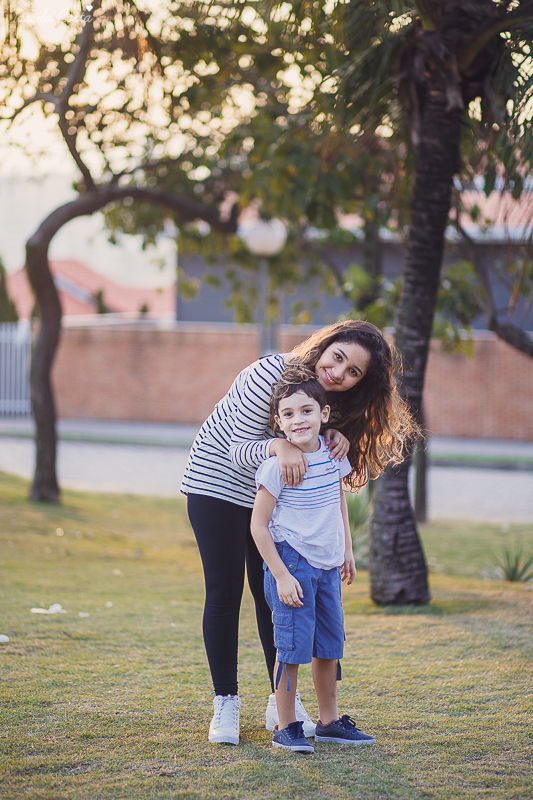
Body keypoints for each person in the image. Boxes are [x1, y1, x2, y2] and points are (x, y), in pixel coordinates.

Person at [180, 320, 414, 745]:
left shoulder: (330, 400)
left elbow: (312, 446)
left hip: (275, 501)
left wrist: (332, 436)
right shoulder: (267, 374)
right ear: (324, 345)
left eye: (353, 372)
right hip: (217, 486)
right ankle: (226, 702)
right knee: (224, 590)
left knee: (274, 594)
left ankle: (279, 705)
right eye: (338, 357)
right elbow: (237, 451)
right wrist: (280, 446)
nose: (339, 373)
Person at [251, 366, 375, 753]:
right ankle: (286, 728)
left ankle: (329, 723)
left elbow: (338, 501)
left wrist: (347, 550)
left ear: (324, 414)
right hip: (293, 564)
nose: (298, 420)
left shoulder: (332, 455)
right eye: (288, 414)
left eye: (306, 410)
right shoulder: (275, 467)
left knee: (329, 646)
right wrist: (282, 576)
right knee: (291, 650)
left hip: (327, 565)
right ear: (279, 423)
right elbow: (258, 526)